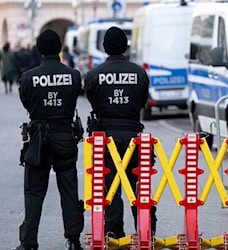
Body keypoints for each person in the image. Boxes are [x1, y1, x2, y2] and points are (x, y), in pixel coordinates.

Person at [15, 29, 84, 250]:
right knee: (69, 188)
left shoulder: (28, 77)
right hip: (65, 136)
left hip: (38, 138)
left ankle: (28, 242)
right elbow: (74, 97)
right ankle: (73, 240)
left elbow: (27, 103)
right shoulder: (73, 75)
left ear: (40, 49)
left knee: (34, 190)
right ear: (59, 47)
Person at [85, 26, 156, 240]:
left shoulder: (94, 75)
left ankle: (114, 229)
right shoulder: (140, 73)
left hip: (106, 138)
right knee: (140, 183)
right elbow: (142, 101)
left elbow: (93, 100)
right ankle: (146, 230)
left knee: (111, 184)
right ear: (125, 46)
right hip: (135, 134)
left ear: (105, 47)